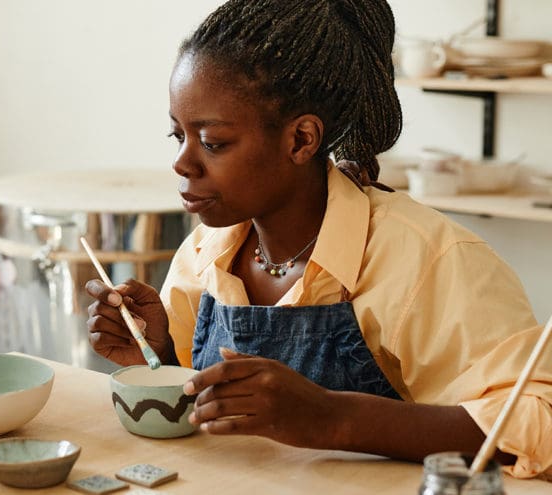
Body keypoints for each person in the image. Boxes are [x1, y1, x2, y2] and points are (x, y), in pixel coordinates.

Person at [85, 0, 551, 479]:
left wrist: (333, 418)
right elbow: (198, 407)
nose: (183, 163)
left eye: (213, 142)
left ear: (301, 140)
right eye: (177, 135)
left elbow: (538, 422)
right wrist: (158, 356)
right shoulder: (205, 254)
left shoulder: (429, 258)